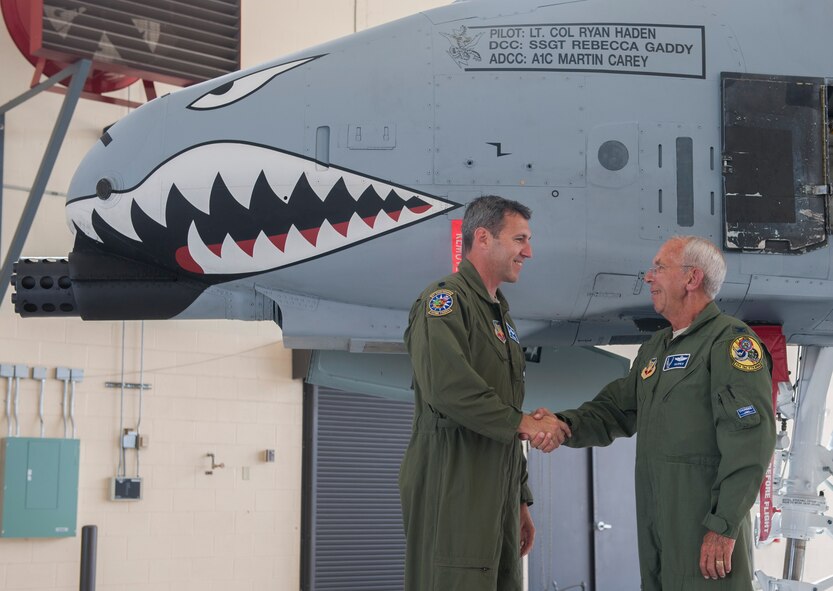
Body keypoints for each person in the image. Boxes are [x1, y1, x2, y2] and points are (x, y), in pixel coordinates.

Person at [533, 235, 776, 590]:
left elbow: (751, 441)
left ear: (692, 279)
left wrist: (723, 525)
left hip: (704, 529)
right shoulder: (656, 349)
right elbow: (614, 409)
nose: (649, 277)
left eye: (660, 268)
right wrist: (563, 424)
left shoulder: (729, 344)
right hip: (657, 526)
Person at [398, 195, 570, 591]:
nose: (529, 251)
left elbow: (504, 407)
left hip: (497, 486)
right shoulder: (444, 302)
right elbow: (448, 387)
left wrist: (520, 499)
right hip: (454, 480)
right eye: (519, 239)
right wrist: (523, 423)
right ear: (483, 238)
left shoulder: (498, 313)